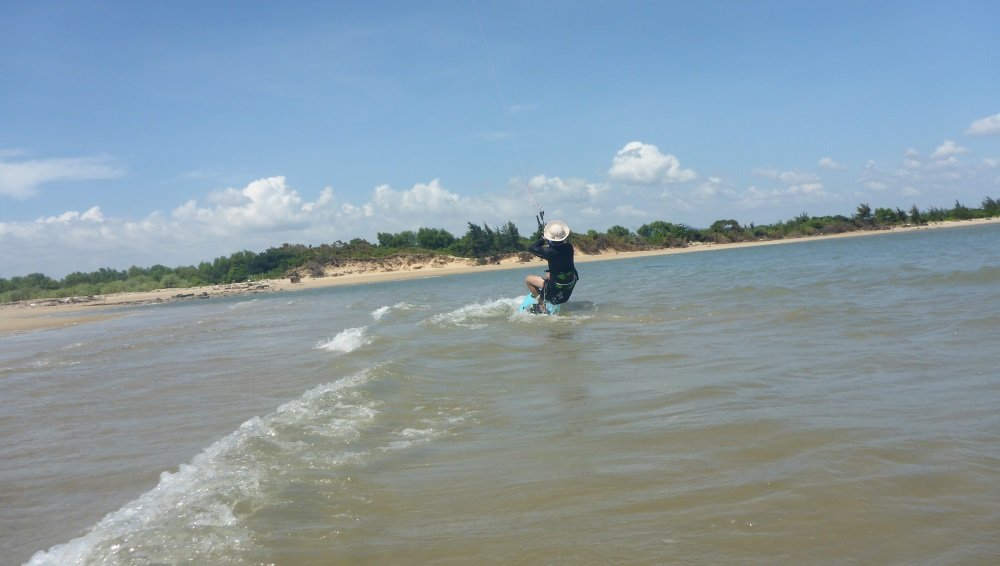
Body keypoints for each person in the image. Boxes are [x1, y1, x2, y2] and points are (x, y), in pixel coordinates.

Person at [525, 220, 579, 312]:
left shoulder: (549, 252)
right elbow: (560, 259)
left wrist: (543, 239)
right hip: (567, 292)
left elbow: (531, 248)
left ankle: (542, 306)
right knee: (550, 275)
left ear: (550, 238)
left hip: (554, 293)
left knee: (528, 280)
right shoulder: (569, 247)